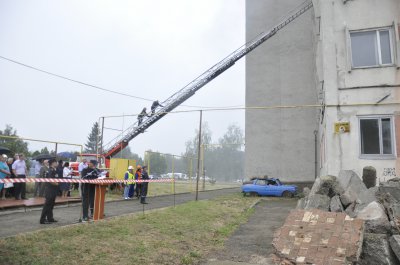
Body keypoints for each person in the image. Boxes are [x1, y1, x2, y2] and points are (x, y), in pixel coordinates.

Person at [39, 159, 60, 224]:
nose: (57, 164)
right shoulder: (50, 171)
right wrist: (57, 183)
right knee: (47, 204)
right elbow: (50, 180)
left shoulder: (54, 170)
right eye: (56, 162)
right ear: (52, 163)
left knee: (51, 204)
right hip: (50, 189)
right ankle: (42, 219)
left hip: (54, 190)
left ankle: (50, 218)